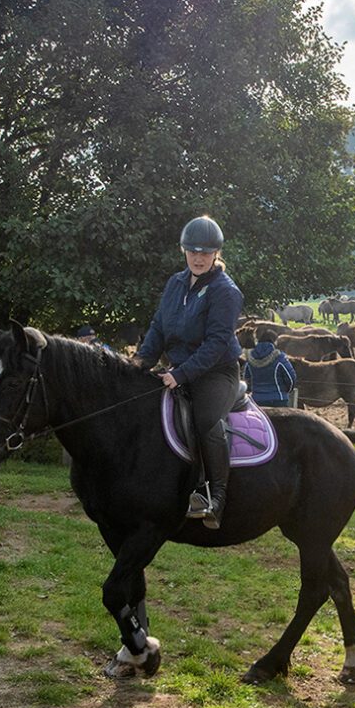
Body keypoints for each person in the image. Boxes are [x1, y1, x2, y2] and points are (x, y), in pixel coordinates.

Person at [134, 216, 243, 529]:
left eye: (205, 253)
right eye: (193, 251)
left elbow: (216, 344)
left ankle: (215, 497)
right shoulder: (175, 283)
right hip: (178, 368)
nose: (198, 257)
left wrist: (180, 375)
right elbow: (158, 325)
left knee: (205, 419)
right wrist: (142, 361)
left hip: (216, 372)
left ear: (215, 254)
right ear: (183, 251)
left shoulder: (225, 291)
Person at [243, 336, 297, 408]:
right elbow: (290, 378)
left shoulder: (250, 359)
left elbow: (247, 379)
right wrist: (286, 392)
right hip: (278, 399)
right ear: (274, 342)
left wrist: (253, 391)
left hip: (256, 400)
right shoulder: (280, 358)